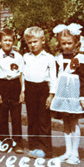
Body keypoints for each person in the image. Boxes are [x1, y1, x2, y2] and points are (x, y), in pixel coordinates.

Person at [50, 24, 84, 164]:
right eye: (63, 43)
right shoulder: (58, 58)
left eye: (69, 43)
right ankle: (67, 151)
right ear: (59, 43)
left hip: (74, 96)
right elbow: (54, 77)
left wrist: (83, 96)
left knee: (74, 122)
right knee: (65, 123)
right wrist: (52, 95)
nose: (66, 46)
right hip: (62, 95)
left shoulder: (80, 58)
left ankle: (75, 153)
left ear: (76, 42)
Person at [22, 26, 57, 159]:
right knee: (32, 119)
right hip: (30, 88)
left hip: (43, 89)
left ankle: (45, 148)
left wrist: (51, 95)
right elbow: (23, 75)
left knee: (43, 119)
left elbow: (53, 78)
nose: (32, 45)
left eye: (35, 41)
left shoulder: (49, 58)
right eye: (30, 42)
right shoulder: (26, 57)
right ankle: (34, 146)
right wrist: (23, 92)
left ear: (42, 41)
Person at [0, 28, 25, 153]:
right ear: (0, 41)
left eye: (10, 40)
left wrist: (22, 91)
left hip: (15, 85)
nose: (7, 43)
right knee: (3, 115)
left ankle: (17, 142)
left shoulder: (19, 57)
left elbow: (21, 75)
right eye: (5, 40)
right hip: (2, 85)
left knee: (16, 116)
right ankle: (4, 140)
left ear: (13, 41)